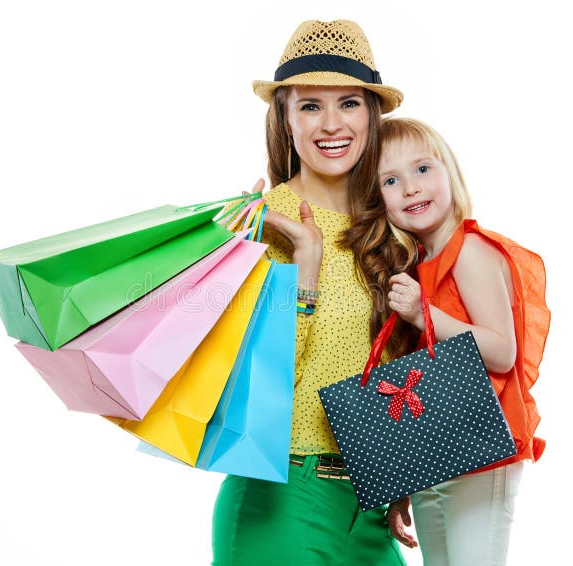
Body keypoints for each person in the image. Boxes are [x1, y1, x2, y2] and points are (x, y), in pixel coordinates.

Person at [211, 20, 416, 565]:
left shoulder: (395, 225)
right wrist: (305, 271)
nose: (332, 124)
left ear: (372, 115)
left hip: (373, 509)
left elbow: (403, 368)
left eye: (348, 103)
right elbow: (247, 387)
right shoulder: (253, 221)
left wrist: (402, 473)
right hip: (281, 498)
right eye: (310, 106)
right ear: (284, 116)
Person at [344, 116, 550, 565]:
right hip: (444, 449)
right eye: (391, 180)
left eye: (422, 170)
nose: (411, 188)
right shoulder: (424, 261)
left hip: (483, 448)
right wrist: (402, 480)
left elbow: (502, 350)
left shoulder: (469, 251)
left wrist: (422, 313)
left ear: (449, 172)